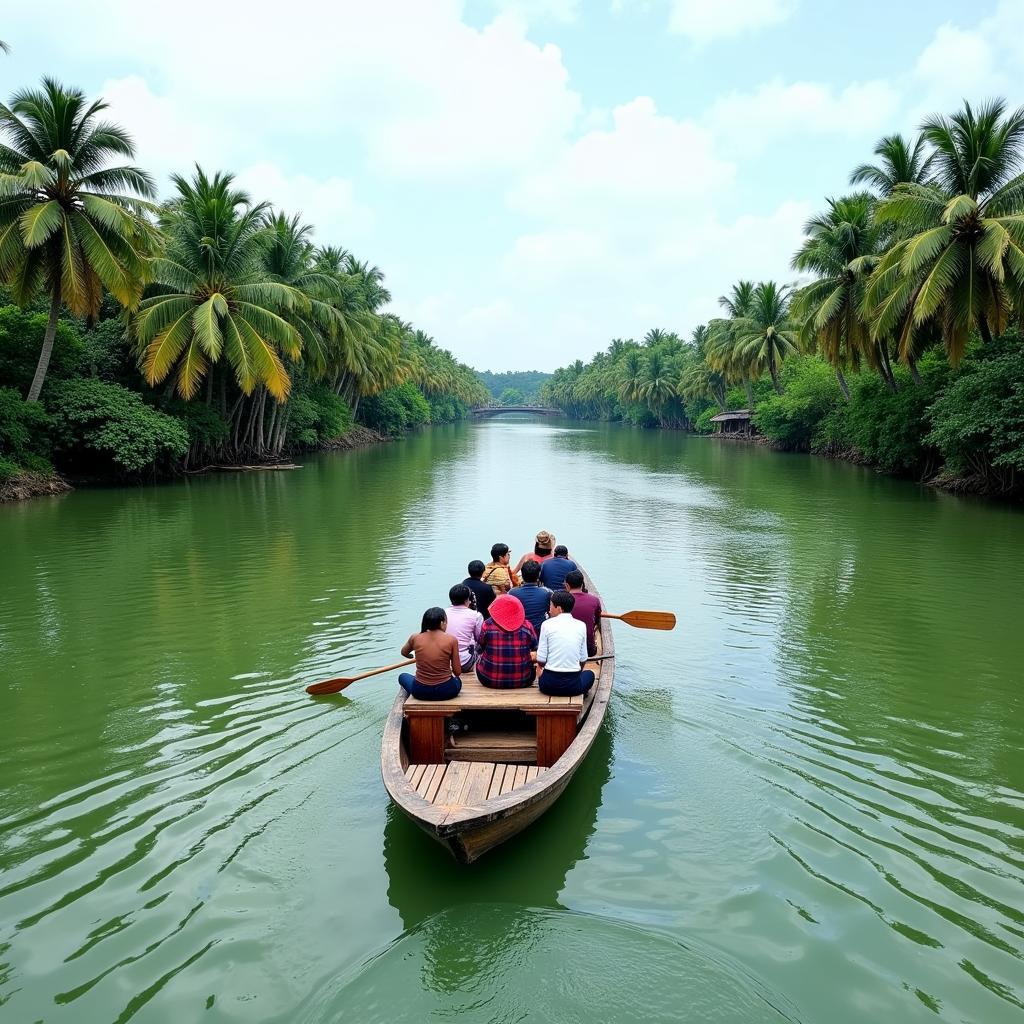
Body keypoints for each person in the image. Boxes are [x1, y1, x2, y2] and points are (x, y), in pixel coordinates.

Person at [536, 591, 595, 697]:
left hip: (548, 686)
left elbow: (541, 659)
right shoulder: (581, 625)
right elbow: (583, 658)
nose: (549, 609)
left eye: (551, 605)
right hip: (573, 687)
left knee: (539, 670)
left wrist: (542, 670)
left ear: (559, 608)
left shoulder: (546, 624)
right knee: (590, 674)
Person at [398, 607, 462, 700]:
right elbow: (457, 672)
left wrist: (412, 656)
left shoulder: (415, 637)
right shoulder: (451, 640)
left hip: (421, 692)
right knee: (458, 681)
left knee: (402, 676)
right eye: (446, 622)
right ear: (441, 623)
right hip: (446, 691)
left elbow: (404, 652)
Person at [476, 594, 537, 689]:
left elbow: (480, 647)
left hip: (489, 679)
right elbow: (535, 646)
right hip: (522, 680)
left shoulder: (487, 625)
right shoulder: (527, 626)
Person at [564, 569, 602, 657]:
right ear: (582, 584)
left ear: (567, 585)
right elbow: (597, 622)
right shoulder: (594, 600)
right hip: (589, 650)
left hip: (566, 650)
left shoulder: (561, 601)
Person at [446, 584, 484, 671]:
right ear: (467, 600)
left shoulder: (443, 613)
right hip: (465, 662)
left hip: (446, 661)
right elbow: (480, 639)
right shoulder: (476, 615)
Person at [508, 559, 552, 635]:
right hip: (540, 633)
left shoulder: (512, 593)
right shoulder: (547, 593)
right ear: (538, 575)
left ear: (522, 574)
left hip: (519, 633)